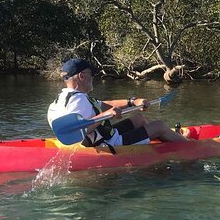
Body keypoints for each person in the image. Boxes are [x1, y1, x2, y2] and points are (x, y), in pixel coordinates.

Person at [47, 58, 188, 151]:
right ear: (82, 76)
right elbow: (80, 131)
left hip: (106, 136)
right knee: (160, 126)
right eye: (91, 74)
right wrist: (106, 115)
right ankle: (187, 144)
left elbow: (105, 104)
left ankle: (164, 140)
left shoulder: (64, 99)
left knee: (139, 119)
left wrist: (133, 102)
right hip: (108, 144)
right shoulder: (78, 100)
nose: (93, 77)